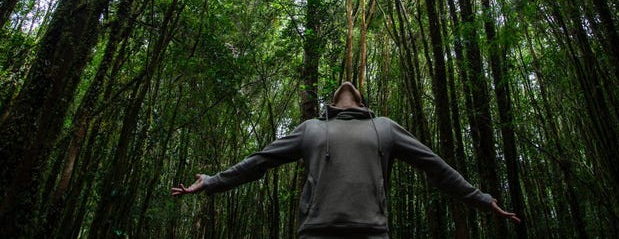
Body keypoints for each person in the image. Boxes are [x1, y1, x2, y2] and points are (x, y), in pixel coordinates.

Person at [172, 81, 521, 238]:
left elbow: (436, 167)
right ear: (333, 103)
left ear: (361, 100)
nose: (347, 84)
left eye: (352, 86)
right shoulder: (310, 129)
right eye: (340, 87)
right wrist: (214, 181)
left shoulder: (385, 127)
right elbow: (260, 160)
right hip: (315, 233)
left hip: (372, 232)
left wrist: (483, 200)